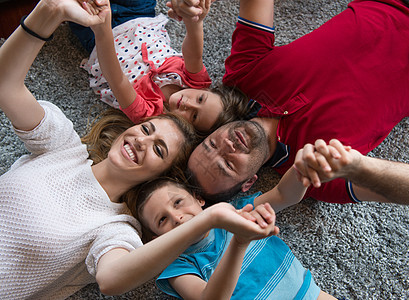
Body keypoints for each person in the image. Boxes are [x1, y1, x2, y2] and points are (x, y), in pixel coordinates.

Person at [0, 0, 274, 298]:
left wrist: (207, 219)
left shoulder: (115, 228)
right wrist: (47, 11)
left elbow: (112, 280)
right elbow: (6, 85)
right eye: (146, 129)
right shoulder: (64, 145)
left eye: (159, 150)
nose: (142, 141)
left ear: (159, 175)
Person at [170, 0, 409, 204]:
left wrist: (194, 6)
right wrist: (359, 167)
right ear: (249, 183)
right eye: (228, 165)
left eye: (212, 144)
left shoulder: (244, 76)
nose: (227, 146)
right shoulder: (316, 176)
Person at [131, 145, 344, 299]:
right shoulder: (179, 266)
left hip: (310, 294)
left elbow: (282, 194)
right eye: (162, 220)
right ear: (156, 238)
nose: (177, 217)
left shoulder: (237, 211)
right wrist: (239, 243)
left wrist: (301, 171)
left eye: (178, 202)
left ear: (199, 199)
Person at [83, 0, 249, 135]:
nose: (188, 105)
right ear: (206, 90)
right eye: (200, 99)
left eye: (194, 116)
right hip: (140, 17)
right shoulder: (196, 82)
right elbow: (193, 55)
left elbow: (117, 80)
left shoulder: (151, 115)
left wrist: (102, 29)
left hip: (99, 36)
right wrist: (194, 21)